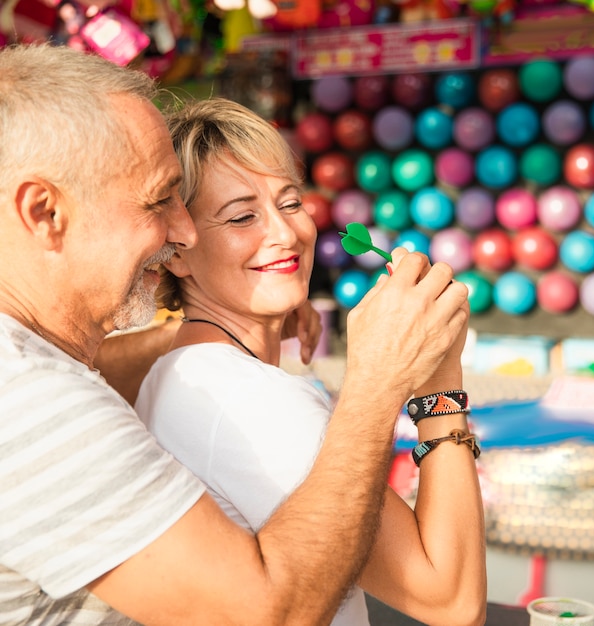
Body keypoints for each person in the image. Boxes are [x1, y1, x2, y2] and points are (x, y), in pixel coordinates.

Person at [0, 43, 477, 625]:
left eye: (291, 201)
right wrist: (410, 381)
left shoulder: (149, 372)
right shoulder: (34, 398)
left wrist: (224, 329)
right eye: (157, 202)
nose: (180, 232)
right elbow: (446, 603)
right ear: (44, 212)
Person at [135, 97, 487, 626]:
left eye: (291, 203)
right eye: (242, 217)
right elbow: (451, 600)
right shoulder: (251, 398)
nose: (285, 234)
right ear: (177, 249)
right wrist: (438, 379)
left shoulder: (179, 372)